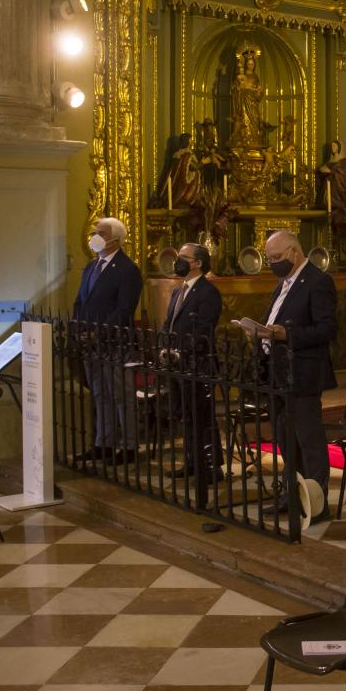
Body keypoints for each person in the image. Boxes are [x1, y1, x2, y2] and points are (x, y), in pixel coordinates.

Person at [258, 230, 338, 521]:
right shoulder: (284, 283)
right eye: (269, 259)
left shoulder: (318, 281)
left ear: (294, 252)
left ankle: (317, 502)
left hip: (303, 372)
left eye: (276, 257)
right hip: (278, 372)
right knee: (284, 437)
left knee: (309, 438)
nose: (273, 263)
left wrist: (286, 333)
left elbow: (327, 329)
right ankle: (292, 494)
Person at [72, 217, 143, 465]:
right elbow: (81, 301)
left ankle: (130, 446)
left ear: (115, 239)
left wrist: (99, 333)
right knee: (100, 394)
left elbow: (124, 309)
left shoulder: (127, 270)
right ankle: (104, 442)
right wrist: (78, 329)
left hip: (114, 342)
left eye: (100, 232)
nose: (95, 236)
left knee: (122, 395)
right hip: (89, 342)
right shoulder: (92, 267)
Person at [159, 243, 223, 507]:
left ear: (197, 263)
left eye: (183, 258)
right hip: (176, 362)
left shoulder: (208, 292)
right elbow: (170, 323)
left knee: (202, 415)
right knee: (185, 414)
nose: (178, 262)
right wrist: (165, 346)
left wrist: (182, 350)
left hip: (198, 363)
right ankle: (192, 460)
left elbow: (203, 327)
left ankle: (212, 465)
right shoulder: (178, 290)